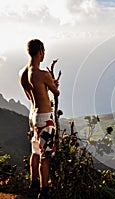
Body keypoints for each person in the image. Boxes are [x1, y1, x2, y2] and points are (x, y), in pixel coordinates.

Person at [19, 39, 60, 198]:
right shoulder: (43, 74)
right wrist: (53, 85)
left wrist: (47, 86)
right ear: (40, 52)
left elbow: (34, 94)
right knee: (46, 156)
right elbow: (55, 93)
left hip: (33, 116)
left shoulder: (22, 73)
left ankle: (33, 184)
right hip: (44, 118)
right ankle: (44, 191)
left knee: (35, 151)